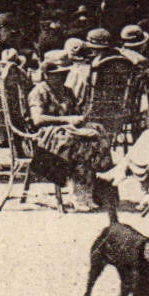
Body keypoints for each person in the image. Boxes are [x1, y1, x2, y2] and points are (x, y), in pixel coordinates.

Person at [26, 50, 110, 207]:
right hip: (46, 134)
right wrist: (66, 120)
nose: (62, 77)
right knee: (77, 143)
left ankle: (86, 189)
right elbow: (37, 119)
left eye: (64, 73)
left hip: (68, 130)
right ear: (47, 74)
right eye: (57, 74)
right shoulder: (38, 92)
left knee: (97, 132)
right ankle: (79, 192)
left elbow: (75, 113)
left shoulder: (67, 91)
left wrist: (80, 119)